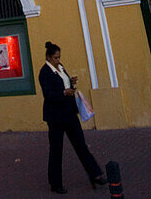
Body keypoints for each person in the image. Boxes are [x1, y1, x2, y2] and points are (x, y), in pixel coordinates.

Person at [38, 40, 107, 194]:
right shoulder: (44, 73)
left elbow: (64, 84)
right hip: (55, 117)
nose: (58, 60)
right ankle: (55, 184)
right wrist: (63, 93)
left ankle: (95, 174)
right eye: (56, 58)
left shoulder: (61, 68)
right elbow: (48, 94)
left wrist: (71, 82)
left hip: (69, 113)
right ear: (49, 57)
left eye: (59, 57)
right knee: (56, 149)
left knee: (81, 144)